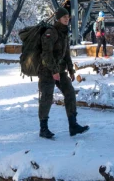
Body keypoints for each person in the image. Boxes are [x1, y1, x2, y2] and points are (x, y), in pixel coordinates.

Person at [38, 7, 90, 139]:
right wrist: (53, 71)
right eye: (64, 17)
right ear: (58, 19)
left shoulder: (64, 33)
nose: (67, 19)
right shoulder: (51, 33)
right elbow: (46, 54)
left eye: (68, 17)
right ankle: (43, 128)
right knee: (46, 97)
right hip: (47, 71)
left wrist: (71, 70)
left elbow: (66, 53)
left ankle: (73, 126)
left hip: (60, 70)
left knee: (70, 93)